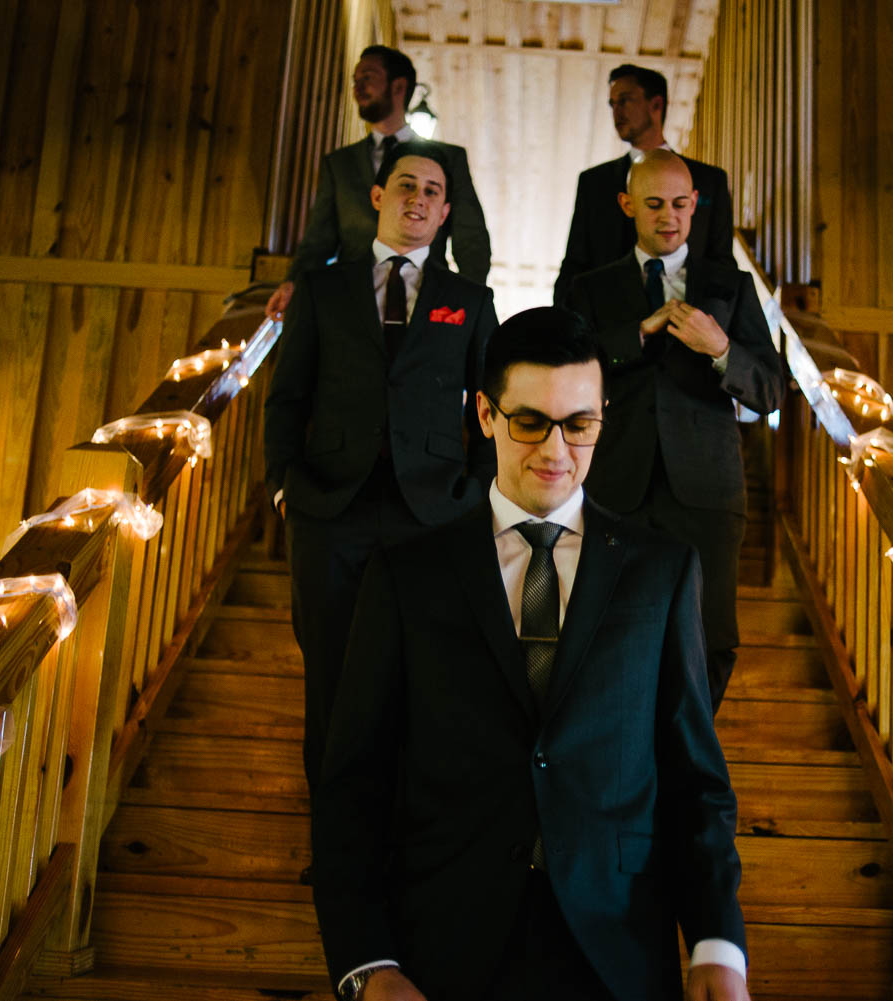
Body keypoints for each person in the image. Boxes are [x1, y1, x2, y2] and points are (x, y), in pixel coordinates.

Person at [313, 308, 750, 1001]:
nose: (556, 449)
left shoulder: (662, 572)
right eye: (530, 422)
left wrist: (717, 945)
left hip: (619, 955)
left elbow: (695, 780)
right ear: (485, 413)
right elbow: (352, 785)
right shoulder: (405, 573)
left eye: (579, 424)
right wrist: (368, 963)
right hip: (441, 953)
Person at [264, 141, 497, 785]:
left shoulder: (468, 300)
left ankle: (402, 843)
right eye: (405, 186)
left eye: (430, 191)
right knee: (331, 677)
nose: (416, 199)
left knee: (421, 677)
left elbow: (490, 404)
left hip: (430, 513)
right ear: (377, 197)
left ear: (445, 211)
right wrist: (284, 486)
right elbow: (288, 397)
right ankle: (334, 844)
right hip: (328, 509)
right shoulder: (322, 289)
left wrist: (474, 493)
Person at [564, 150, 784, 711]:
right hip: (615, 487)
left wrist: (722, 349)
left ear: (696, 207)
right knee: (607, 635)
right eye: (655, 204)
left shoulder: (729, 285)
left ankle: (689, 765)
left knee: (709, 641)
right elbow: (565, 377)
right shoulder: (590, 288)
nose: (669, 216)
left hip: (707, 491)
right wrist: (634, 334)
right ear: (627, 205)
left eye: (681, 205)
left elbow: (771, 389)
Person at [266, 45, 491, 318]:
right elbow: (318, 241)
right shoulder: (339, 164)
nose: (358, 88)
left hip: (426, 301)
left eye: (367, 78)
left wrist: (468, 299)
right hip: (351, 302)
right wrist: (293, 283)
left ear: (398, 87)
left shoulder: (449, 159)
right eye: (355, 81)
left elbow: (471, 239)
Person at [553, 64, 734, 305]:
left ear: (656, 105)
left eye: (625, 101)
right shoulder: (594, 182)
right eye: (612, 104)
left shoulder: (710, 180)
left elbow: (721, 262)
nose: (616, 111)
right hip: (608, 321)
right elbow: (576, 262)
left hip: (687, 318)